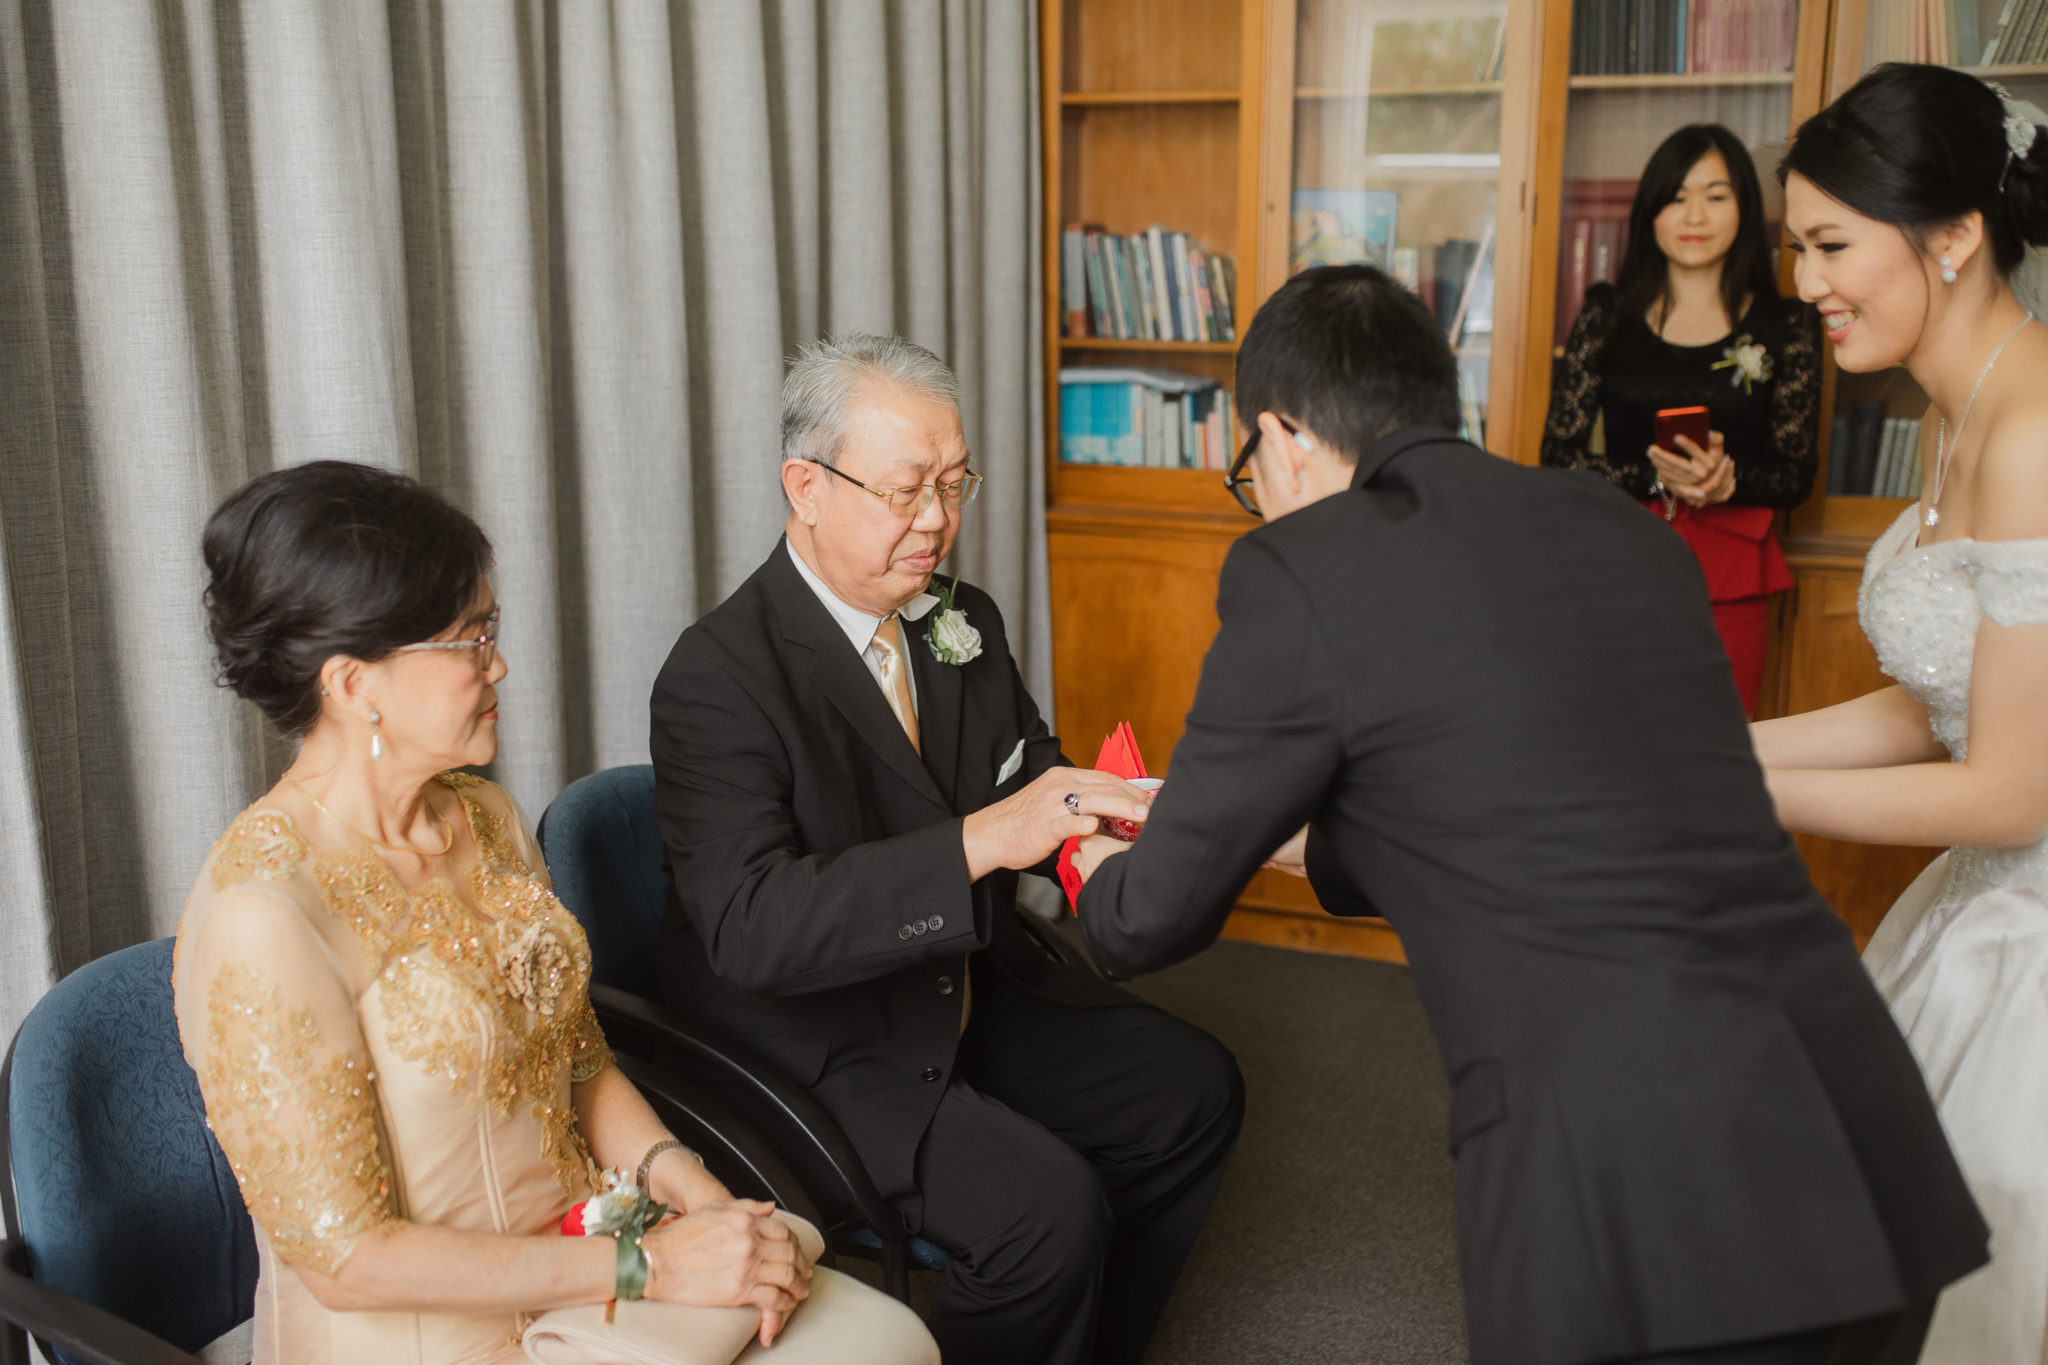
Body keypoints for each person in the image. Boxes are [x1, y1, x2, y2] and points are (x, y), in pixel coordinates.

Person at [1072, 264, 1988, 1365]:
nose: (1257, 496)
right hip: (1855, 1127)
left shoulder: (1302, 566)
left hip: (1633, 1179)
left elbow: (1144, 925)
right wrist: (1263, 839)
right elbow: (1512, 807)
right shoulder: (1616, 531)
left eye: (1247, 469)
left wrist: (1104, 856)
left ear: (1283, 435)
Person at [177, 461, 936, 1365]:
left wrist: (697, 1193)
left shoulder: (485, 819)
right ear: (353, 683)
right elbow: (350, 1261)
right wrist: (644, 1265)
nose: (497, 663)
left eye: (488, 627)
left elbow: (578, 1057)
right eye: (467, 638)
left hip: (592, 1262)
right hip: (428, 1334)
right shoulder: (261, 912)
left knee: (891, 1339)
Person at [650, 334, 1244, 1365]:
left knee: (1193, 1091)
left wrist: (1103, 829)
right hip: (822, 1040)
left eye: (954, 482)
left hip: (965, 980)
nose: (936, 520)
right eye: (904, 490)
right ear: (806, 487)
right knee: (1045, 1215)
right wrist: (987, 839)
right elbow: (752, 930)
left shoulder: (959, 621)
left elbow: (1027, 780)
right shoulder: (718, 675)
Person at [1753, 63, 2048, 1363]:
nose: (1805, 282)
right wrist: (1706, 743)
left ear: (1956, 234)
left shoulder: (2036, 432)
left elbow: (2011, 790)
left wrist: (1728, 784)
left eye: (1830, 245)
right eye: (1796, 247)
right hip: (1984, 890)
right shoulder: (1950, 411)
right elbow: (1941, 704)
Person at [1543, 124, 1822, 714]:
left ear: (1745, 209)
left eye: (1716, 196)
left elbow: (1794, 473)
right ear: (1651, 211)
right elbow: (1558, 456)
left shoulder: (1789, 326)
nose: (1695, 214)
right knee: (1613, 744)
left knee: (1721, 743)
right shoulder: (1604, 316)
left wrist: (1730, 479)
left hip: (1732, 569)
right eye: (1677, 196)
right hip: (1619, 562)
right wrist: (1655, 478)